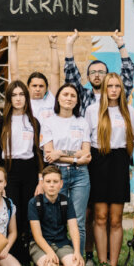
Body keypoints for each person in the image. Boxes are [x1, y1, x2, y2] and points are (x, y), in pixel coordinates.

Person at [86, 72, 134, 266]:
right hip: (98, 160)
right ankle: (103, 262)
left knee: (116, 218)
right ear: (104, 88)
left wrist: (129, 167)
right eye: (110, 86)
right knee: (100, 216)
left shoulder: (129, 111)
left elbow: (133, 139)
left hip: (119, 162)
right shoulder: (92, 110)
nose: (114, 90)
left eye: (117, 86)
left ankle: (113, 264)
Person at [0, 80, 42, 262]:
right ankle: (11, 254)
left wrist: (40, 179)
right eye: (14, 95)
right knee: (12, 212)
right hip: (9, 169)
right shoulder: (1, 122)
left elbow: (38, 152)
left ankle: (28, 255)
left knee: (27, 214)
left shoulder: (33, 122)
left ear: (26, 98)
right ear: (9, 98)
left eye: (22, 95)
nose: (18, 99)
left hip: (29, 170)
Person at [39, 83, 92, 252]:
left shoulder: (82, 122)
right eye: (65, 95)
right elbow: (49, 155)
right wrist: (75, 158)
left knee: (78, 220)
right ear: (58, 99)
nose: (69, 98)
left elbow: (86, 154)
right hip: (56, 175)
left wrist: (60, 152)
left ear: (77, 101)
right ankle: (57, 256)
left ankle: (78, 257)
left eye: (72, 96)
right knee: (56, 217)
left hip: (80, 175)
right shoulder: (48, 122)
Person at [28, 165, 85, 266]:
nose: (52, 185)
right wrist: (49, 252)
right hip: (41, 244)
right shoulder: (34, 203)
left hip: (61, 243)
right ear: (43, 184)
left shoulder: (66, 201)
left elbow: (74, 229)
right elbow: (37, 235)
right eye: (48, 181)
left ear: (61, 184)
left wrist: (77, 252)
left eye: (55, 181)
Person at [63, 29, 134, 116]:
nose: (96, 75)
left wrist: (121, 45)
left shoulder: (116, 95)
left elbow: (128, 72)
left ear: (107, 76)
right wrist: (69, 44)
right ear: (88, 78)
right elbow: (71, 74)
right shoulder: (83, 96)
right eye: (93, 72)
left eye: (101, 72)